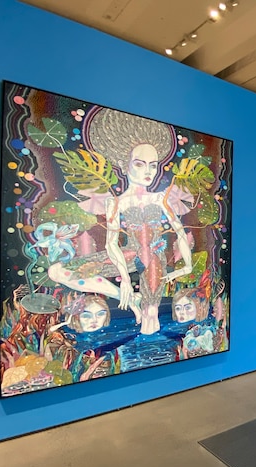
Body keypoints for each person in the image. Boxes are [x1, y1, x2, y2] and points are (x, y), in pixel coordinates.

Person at [47, 108, 193, 335]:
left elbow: (180, 233)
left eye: (153, 165)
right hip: (128, 255)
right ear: (125, 165)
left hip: (155, 257)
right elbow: (111, 243)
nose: (148, 171)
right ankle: (128, 298)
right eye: (139, 164)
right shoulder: (115, 203)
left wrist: (188, 265)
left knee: (150, 321)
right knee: (57, 272)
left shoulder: (160, 199)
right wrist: (124, 280)